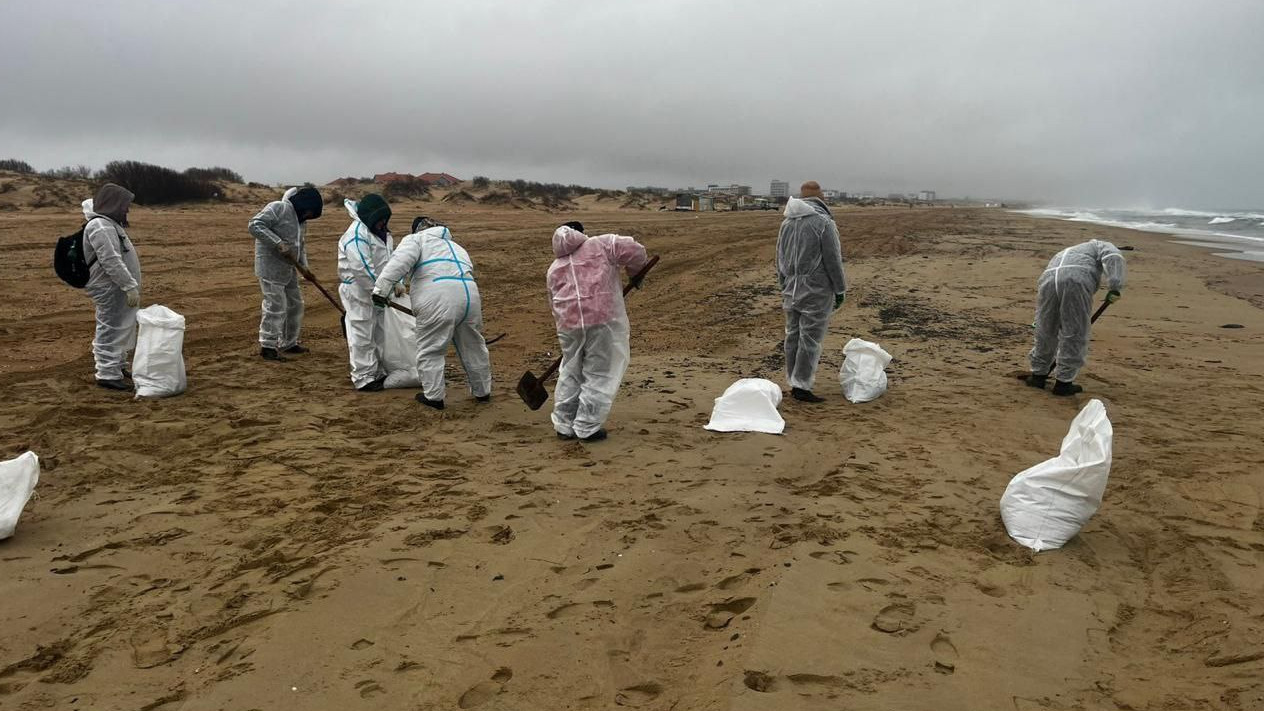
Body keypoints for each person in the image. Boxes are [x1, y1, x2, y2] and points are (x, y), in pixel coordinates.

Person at [545, 221, 649, 442]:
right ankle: (587, 426)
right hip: (603, 321)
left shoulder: (555, 267)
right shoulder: (602, 244)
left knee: (571, 371)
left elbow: (553, 302)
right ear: (582, 234)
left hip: (569, 325)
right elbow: (635, 250)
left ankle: (563, 425)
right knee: (600, 372)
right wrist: (635, 274)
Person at [371, 219, 491, 409]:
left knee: (431, 349)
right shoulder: (456, 247)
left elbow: (399, 263)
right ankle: (482, 391)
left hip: (438, 297)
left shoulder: (416, 240)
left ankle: (434, 397)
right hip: (470, 296)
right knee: (474, 346)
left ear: (418, 230)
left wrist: (380, 290)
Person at [1026, 239, 1126, 395]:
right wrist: (1115, 287)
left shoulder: (1068, 250)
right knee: (1075, 331)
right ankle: (1063, 383)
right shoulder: (1101, 244)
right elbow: (1114, 256)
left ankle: (1038, 375)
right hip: (1076, 280)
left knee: (1045, 327)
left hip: (1048, 279)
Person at [776, 181, 846, 403]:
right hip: (817, 289)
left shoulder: (787, 223)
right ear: (820, 197)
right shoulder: (823, 223)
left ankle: (794, 380)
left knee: (793, 335)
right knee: (810, 338)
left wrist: (783, 283)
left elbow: (780, 258)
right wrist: (839, 289)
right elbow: (833, 259)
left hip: (791, 288)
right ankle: (801, 386)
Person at [338, 194, 405, 391]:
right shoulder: (356, 234)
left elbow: (391, 261)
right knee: (362, 330)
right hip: (358, 290)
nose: (383, 223)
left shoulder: (383, 233)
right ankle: (364, 377)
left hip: (379, 289)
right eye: (379, 219)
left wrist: (397, 282)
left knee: (380, 331)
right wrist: (378, 291)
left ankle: (378, 370)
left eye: (385, 219)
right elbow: (361, 268)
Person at [248, 186, 323, 361]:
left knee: (295, 305)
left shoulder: (301, 222)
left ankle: (289, 343)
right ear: (302, 205)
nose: (308, 217)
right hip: (269, 267)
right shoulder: (278, 208)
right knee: (276, 305)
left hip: (289, 269)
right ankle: (268, 345)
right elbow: (255, 225)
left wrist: (305, 269)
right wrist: (278, 243)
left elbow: (300, 247)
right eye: (308, 212)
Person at [82, 183, 141, 391]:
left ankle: (116, 366)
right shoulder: (100, 226)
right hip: (110, 288)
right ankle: (107, 373)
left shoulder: (109, 223)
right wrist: (128, 285)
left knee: (122, 325)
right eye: (125, 204)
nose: (127, 209)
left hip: (117, 287)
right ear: (114, 204)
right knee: (110, 326)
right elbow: (111, 260)